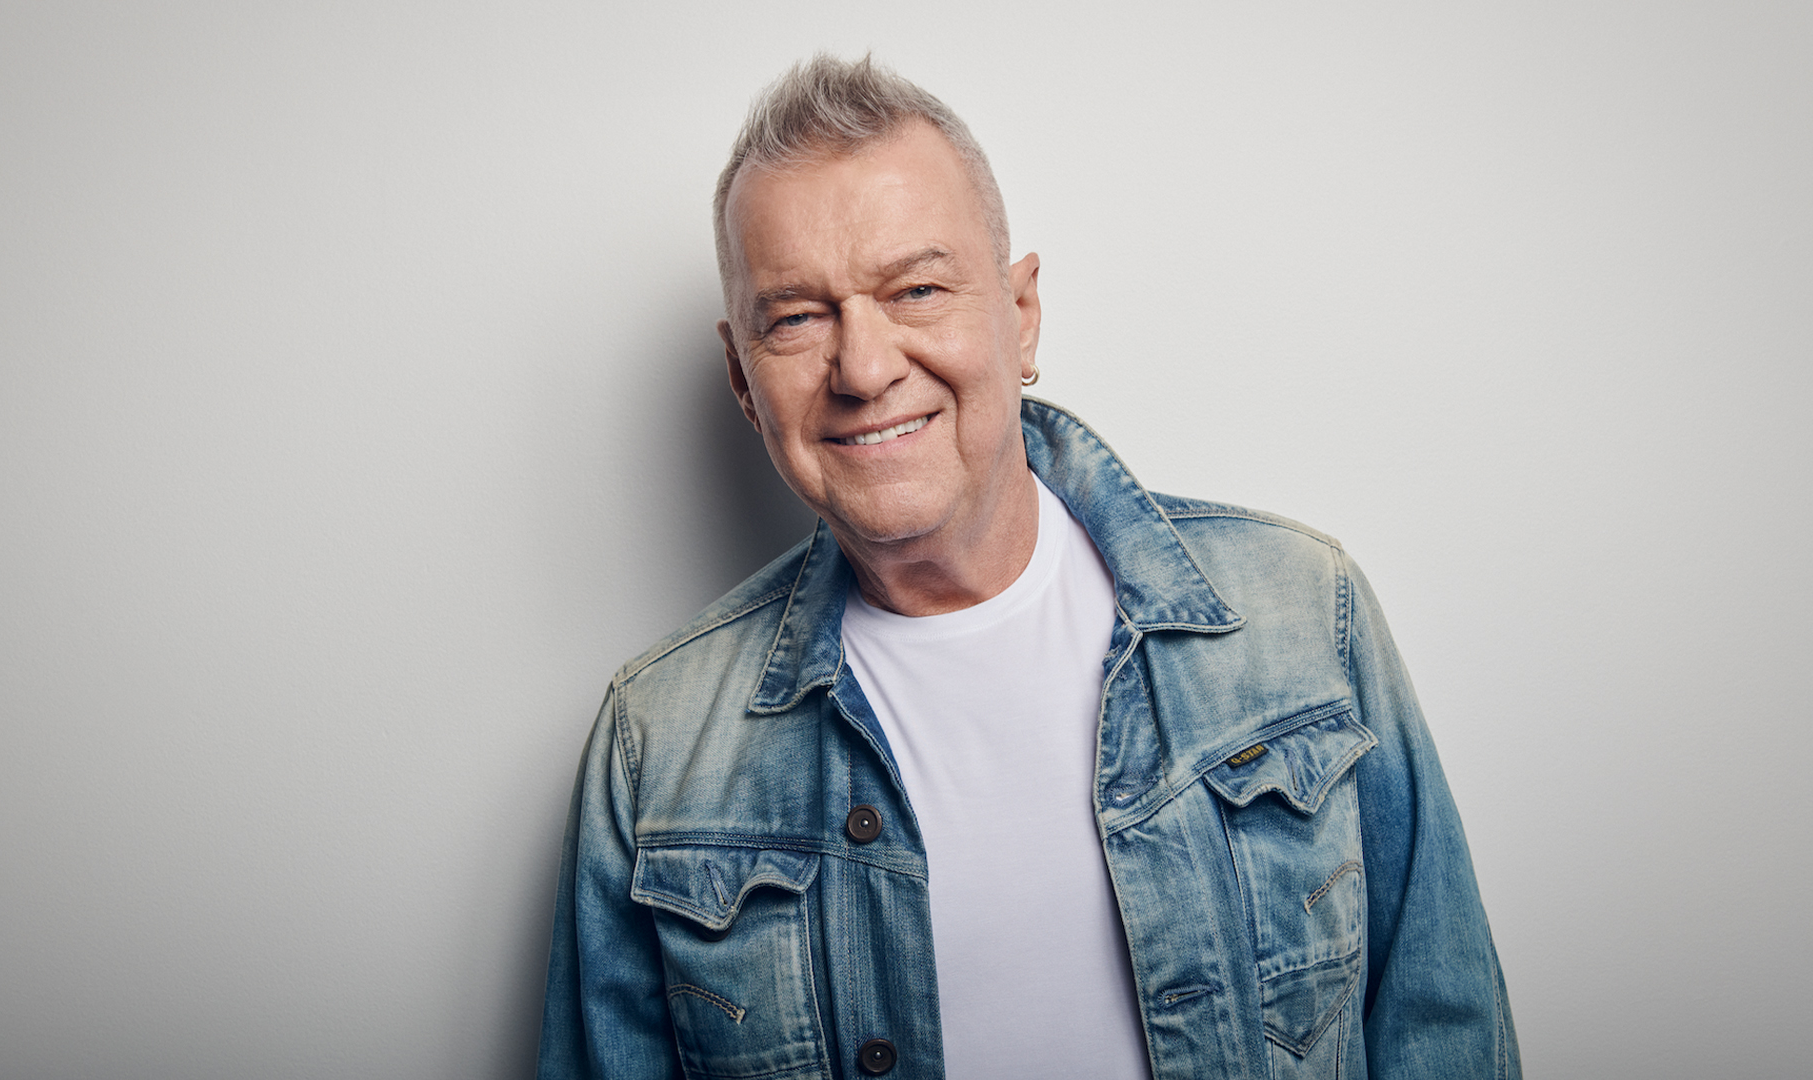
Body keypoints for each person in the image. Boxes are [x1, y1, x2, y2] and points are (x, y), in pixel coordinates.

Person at [538, 55, 1518, 1080]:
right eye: (794, 318)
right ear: (744, 380)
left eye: (918, 290)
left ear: (1021, 316)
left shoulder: (1303, 615)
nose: (864, 369)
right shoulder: (657, 746)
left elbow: (1447, 1034)